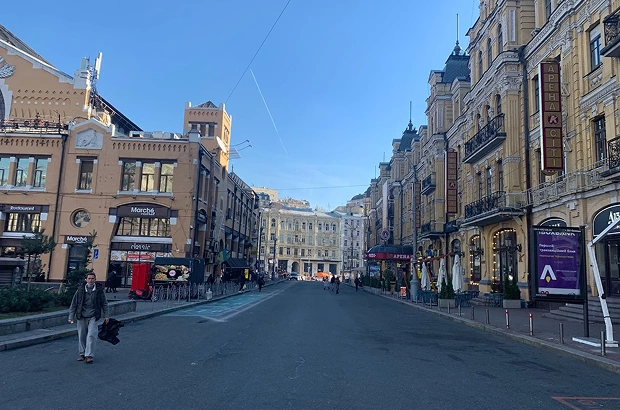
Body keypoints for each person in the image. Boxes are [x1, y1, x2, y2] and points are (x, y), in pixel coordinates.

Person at [68, 273, 109, 364]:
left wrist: (106, 315)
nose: (90, 280)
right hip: (81, 316)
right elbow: (74, 304)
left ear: (95, 279)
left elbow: (104, 304)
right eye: (89, 278)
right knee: (82, 335)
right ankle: (82, 354)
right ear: (86, 279)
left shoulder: (99, 291)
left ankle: (89, 355)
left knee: (91, 335)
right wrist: (71, 316)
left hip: (93, 316)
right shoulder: (80, 290)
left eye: (92, 278)